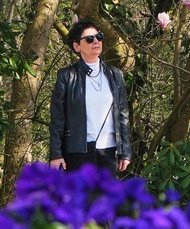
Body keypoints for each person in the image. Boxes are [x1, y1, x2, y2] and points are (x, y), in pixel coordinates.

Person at [49, 19, 131, 173]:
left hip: (109, 151)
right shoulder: (66, 76)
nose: (96, 41)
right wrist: (56, 154)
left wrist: (125, 151)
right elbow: (57, 119)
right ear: (77, 46)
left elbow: (123, 114)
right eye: (89, 39)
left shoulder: (115, 75)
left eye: (99, 37)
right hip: (77, 152)